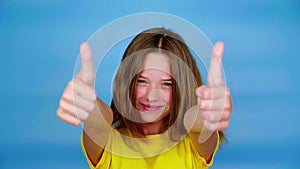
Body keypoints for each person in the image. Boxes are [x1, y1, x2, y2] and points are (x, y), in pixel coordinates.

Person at [57, 28, 233, 169]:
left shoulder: (194, 145)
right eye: (142, 81)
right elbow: (98, 122)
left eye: (166, 84)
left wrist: (210, 109)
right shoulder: (108, 143)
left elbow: (196, 122)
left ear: (182, 89)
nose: (151, 96)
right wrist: (89, 104)